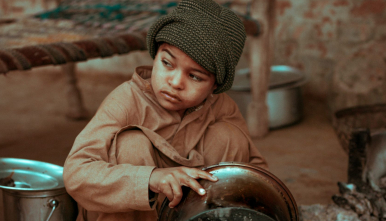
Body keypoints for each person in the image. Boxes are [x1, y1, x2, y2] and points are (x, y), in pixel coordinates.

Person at [63, 0, 268, 220]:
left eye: (195, 77)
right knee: (131, 145)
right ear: (155, 54)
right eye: (167, 63)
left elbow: (255, 172)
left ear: (214, 86)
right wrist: (151, 178)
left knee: (229, 137)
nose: (175, 82)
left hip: (190, 213)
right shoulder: (126, 101)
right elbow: (76, 173)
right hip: (130, 215)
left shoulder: (221, 106)